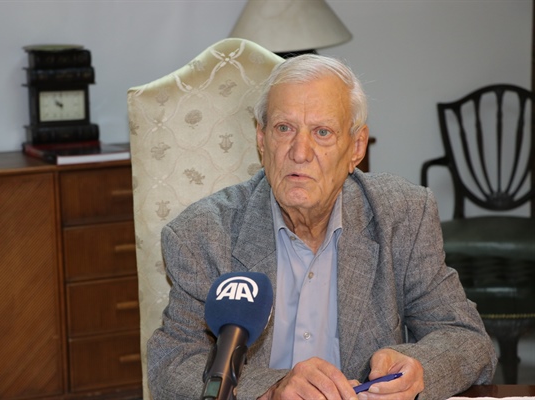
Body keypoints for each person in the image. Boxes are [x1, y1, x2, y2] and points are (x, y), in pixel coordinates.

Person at [147, 54, 496, 400]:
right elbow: (171, 365)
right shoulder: (203, 233)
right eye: (284, 128)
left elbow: (466, 338)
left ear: (356, 147)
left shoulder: (402, 215)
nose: (300, 152)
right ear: (262, 140)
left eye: (322, 132)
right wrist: (269, 389)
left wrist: (418, 370)